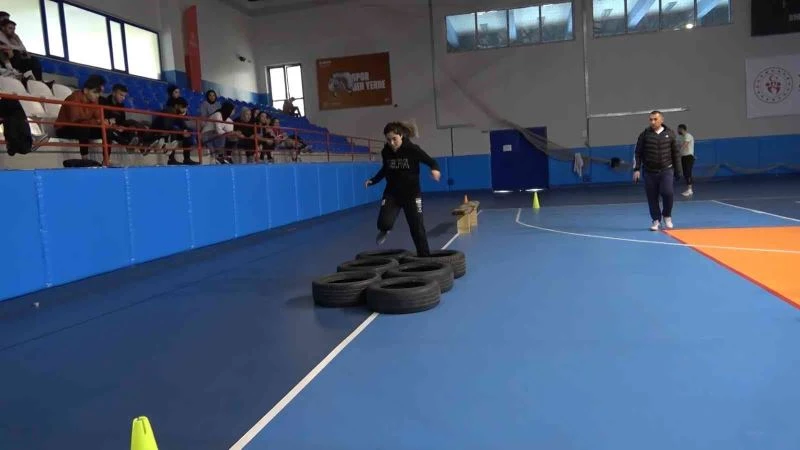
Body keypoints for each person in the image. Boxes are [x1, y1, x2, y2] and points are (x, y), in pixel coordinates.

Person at [365, 121, 441, 256]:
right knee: (384, 223)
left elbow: (431, 162)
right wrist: (373, 180)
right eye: (388, 140)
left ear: (401, 135)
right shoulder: (386, 151)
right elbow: (385, 169)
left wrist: (435, 170)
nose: (392, 143)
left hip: (412, 195)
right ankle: (385, 229)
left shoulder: (412, 149)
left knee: (417, 227)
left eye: (394, 139)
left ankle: (425, 257)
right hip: (392, 194)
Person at [632, 111, 682, 231]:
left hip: (666, 170)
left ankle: (667, 216)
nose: (652, 122)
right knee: (652, 197)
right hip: (649, 172)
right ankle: (656, 220)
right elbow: (638, 153)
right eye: (651, 119)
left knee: (668, 193)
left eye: (655, 119)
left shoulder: (670, 134)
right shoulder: (644, 135)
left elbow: (676, 153)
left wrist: (678, 170)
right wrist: (637, 169)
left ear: (661, 120)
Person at [677, 124, 695, 197]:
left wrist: (678, 152)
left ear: (682, 129)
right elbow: (676, 144)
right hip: (683, 157)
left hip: (689, 157)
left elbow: (685, 145)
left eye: (678, 129)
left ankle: (690, 190)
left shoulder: (688, 136)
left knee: (688, 172)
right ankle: (688, 189)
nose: (677, 131)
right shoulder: (680, 137)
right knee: (685, 173)